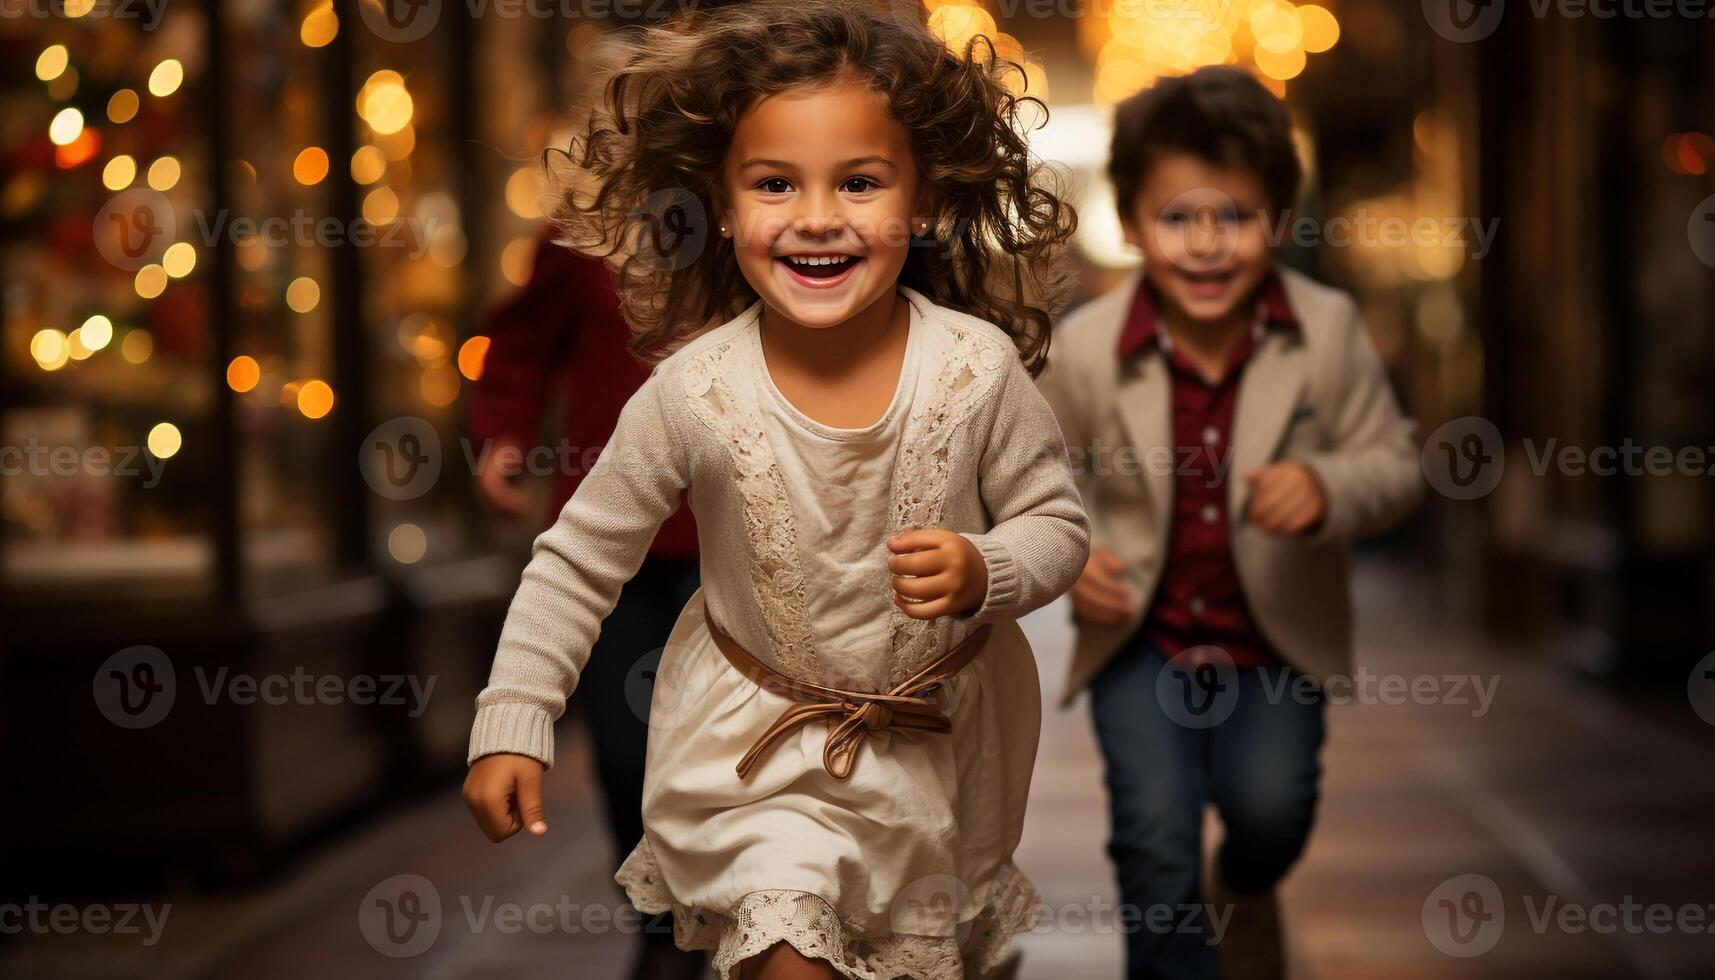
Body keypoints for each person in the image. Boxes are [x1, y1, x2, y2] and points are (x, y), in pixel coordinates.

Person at [459, 5, 1090, 979]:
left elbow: (1056, 523)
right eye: (773, 183)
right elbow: (577, 558)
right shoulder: (694, 388)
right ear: (718, 203)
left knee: (929, 954)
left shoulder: (974, 368)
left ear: (919, 198)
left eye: (859, 181)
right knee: (787, 940)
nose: (815, 215)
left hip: (942, 743)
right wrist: (513, 717)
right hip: (756, 742)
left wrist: (988, 564)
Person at [1036, 67, 1423, 979]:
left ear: (1280, 222)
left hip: (1274, 643)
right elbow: (1028, 477)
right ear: (1129, 224)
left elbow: (1395, 463)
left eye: (1235, 218)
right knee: (1153, 841)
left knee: (1269, 818)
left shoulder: (1324, 329)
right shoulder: (1088, 345)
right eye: (1176, 219)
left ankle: (1244, 889)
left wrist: (1328, 486)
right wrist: (1070, 550)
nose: (1206, 245)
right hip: (1140, 639)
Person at [466, 229, 709, 980]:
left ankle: (739, 920)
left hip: (743, 541)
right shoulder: (586, 234)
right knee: (625, 749)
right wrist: (505, 435)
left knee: (733, 751)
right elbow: (521, 342)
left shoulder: (770, 215)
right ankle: (663, 924)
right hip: (616, 543)